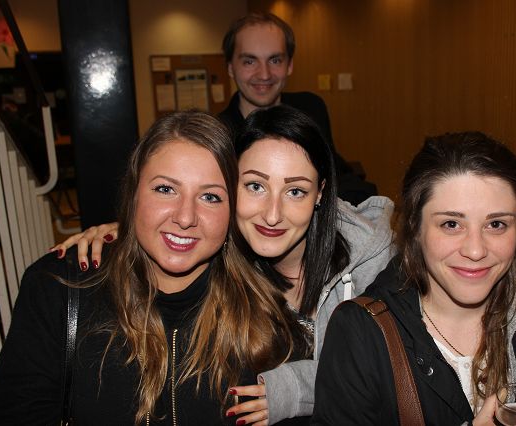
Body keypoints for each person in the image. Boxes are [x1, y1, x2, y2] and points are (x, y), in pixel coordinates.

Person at [51, 105, 395, 425]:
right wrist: (128, 229)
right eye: (255, 186)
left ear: (320, 193)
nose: (272, 214)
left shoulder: (371, 260)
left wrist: (293, 388)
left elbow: (391, 372)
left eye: (295, 191)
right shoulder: (222, 260)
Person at [0, 111, 304, 425]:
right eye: (165, 189)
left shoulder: (265, 311)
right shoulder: (59, 288)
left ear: (233, 211)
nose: (185, 217)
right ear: (134, 193)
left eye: (210, 197)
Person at [313, 132, 516, 425]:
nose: (475, 250)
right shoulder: (359, 333)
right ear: (415, 229)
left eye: (496, 224)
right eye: (451, 224)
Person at [219, 12, 377, 205]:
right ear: (230, 67)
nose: (264, 74)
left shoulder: (310, 109)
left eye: (275, 60)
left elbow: (335, 175)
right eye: (249, 61)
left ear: (290, 65)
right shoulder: (219, 135)